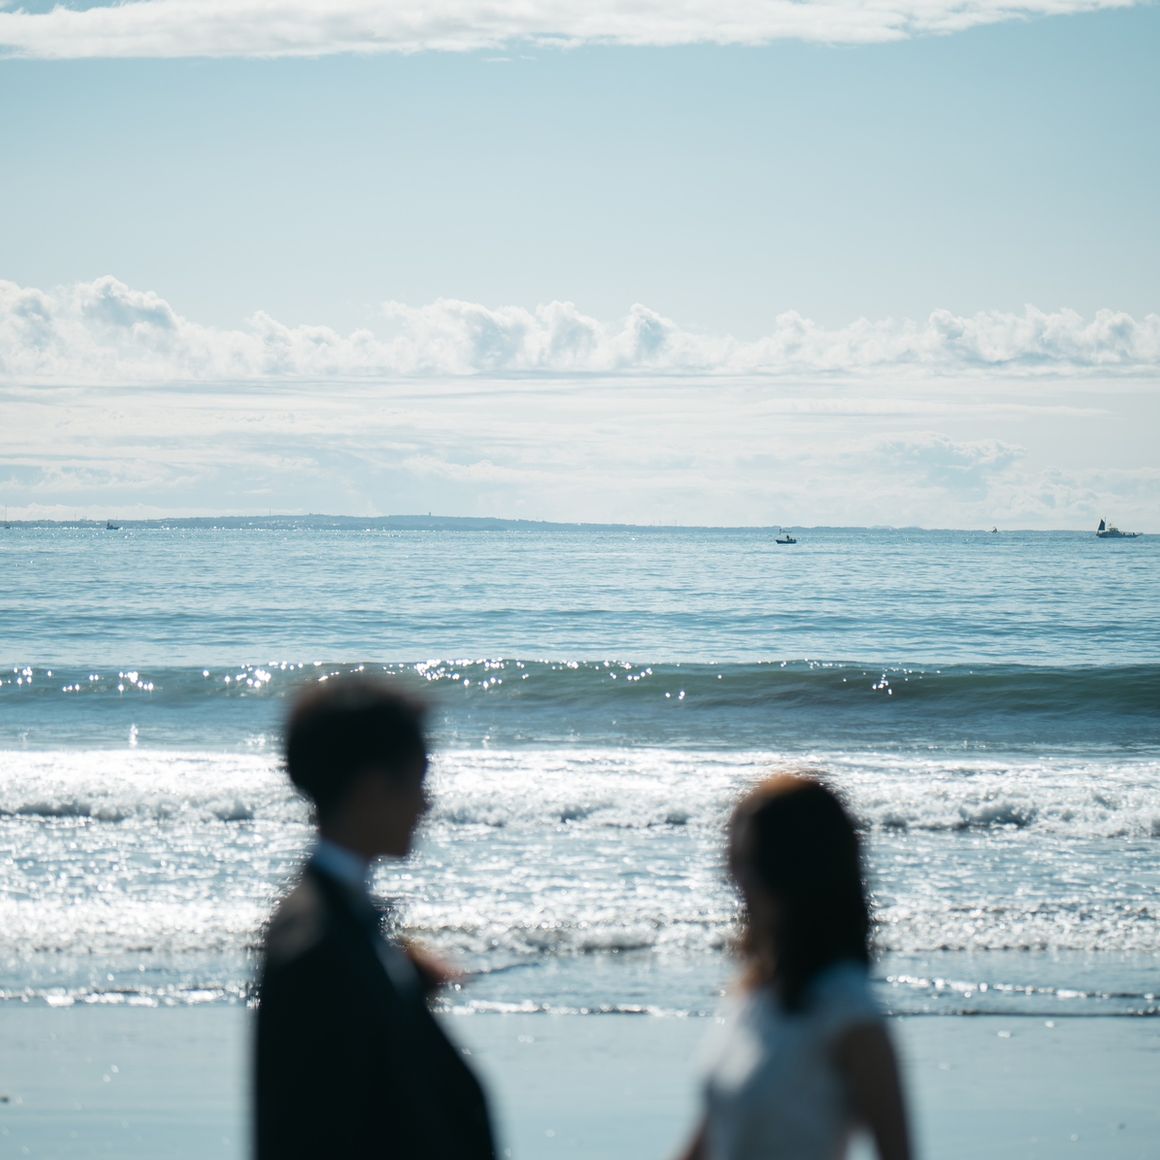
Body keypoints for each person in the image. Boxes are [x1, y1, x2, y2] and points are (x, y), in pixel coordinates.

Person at [254, 676, 496, 1160]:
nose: (426, 804)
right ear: (371, 788)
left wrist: (400, 986)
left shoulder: (345, 920)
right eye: (417, 781)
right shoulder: (315, 945)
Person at [679, 774, 912, 1160]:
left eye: (748, 864)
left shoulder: (848, 1010)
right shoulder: (754, 995)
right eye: (732, 862)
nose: (734, 880)